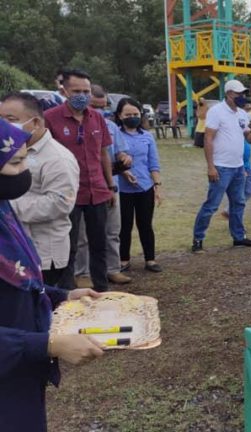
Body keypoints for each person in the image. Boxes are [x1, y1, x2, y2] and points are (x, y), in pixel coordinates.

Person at [0, 118, 104, 431]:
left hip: (18, 376)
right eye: (16, 162)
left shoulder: (4, 210)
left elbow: (19, 282)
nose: (25, 172)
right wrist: (48, 345)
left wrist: (62, 296)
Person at [45, 69, 129, 292]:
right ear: (63, 90)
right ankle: (67, 293)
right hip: (68, 194)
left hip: (98, 191)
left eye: (86, 91)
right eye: (76, 91)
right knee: (69, 246)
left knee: (99, 243)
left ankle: (101, 290)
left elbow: (103, 153)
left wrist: (111, 186)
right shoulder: (50, 118)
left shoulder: (97, 118)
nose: (82, 95)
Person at [0, 92, 79, 287]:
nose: (4, 126)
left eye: (10, 120)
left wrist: (9, 207)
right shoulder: (10, 149)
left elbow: (60, 203)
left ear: (35, 123)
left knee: (41, 302)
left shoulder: (58, 158)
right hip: (18, 247)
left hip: (44, 253)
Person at [191, 80, 251, 252]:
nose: (242, 97)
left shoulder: (242, 114)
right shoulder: (216, 112)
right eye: (239, 94)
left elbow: (249, 139)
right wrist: (210, 166)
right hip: (221, 167)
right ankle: (198, 239)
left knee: (238, 203)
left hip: (238, 167)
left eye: (243, 94)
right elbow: (208, 139)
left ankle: (239, 237)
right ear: (229, 94)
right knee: (212, 205)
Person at [74, 84, 133, 286]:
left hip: (110, 186)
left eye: (104, 105)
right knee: (83, 236)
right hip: (83, 188)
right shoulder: (76, 125)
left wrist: (125, 158)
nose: (100, 110)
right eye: (95, 105)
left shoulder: (111, 127)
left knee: (112, 231)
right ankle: (82, 273)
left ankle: (112, 269)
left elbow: (120, 152)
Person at [115, 98, 163, 273]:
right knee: (124, 226)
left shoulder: (147, 137)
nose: (132, 117)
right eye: (128, 114)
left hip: (145, 187)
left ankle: (150, 259)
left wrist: (157, 186)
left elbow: (154, 163)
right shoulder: (115, 135)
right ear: (120, 116)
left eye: (135, 114)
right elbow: (110, 160)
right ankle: (123, 260)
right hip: (122, 189)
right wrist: (122, 171)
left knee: (145, 224)